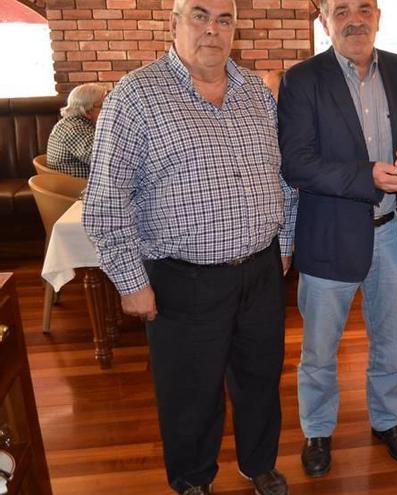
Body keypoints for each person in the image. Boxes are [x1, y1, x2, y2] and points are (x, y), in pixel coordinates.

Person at [82, 0, 296, 493]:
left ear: (234, 30)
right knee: (189, 392)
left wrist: (282, 242)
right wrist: (132, 282)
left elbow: (281, 177)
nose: (212, 30)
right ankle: (193, 479)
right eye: (200, 15)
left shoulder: (256, 95)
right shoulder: (135, 97)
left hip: (261, 270)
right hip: (183, 278)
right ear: (174, 23)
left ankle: (258, 463)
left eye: (224, 19)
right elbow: (106, 202)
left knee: (261, 378)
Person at [277, 0, 397, 478]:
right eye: (341, 9)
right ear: (324, 19)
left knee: (392, 342)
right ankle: (317, 430)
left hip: (395, 234)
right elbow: (297, 163)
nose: (355, 18)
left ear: (378, 16)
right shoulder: (302, 80)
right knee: (319, 349)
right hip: (329, 237)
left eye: (364, 7)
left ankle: (388, 421)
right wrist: (367, 175)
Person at [46, 83, 106, 177]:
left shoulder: (73, 123)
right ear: (87, 111)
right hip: (78, 188)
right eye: (103, 106)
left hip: (75, 185)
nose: (109, 110)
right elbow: (104, 160)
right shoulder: (74, 129)